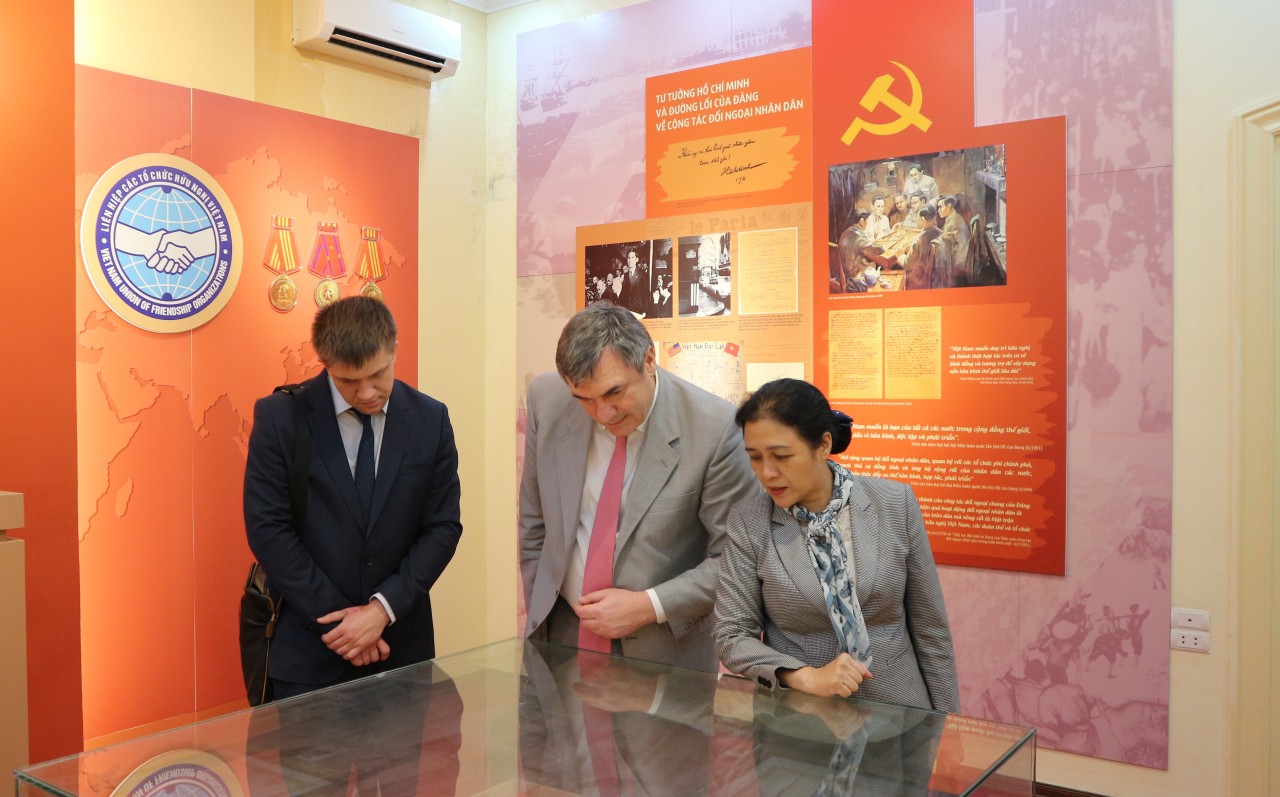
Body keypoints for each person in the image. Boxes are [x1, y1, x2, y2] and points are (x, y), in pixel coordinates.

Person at [243, 296, 462, 698]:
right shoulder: (281, 417)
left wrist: (381, 610)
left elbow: (442, 527)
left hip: (400, 648)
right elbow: (268, 528)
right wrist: (345, 626)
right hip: (310, 650)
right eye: (348, 381)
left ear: (394, 349)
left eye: (378, 375)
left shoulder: (430, 420)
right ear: (324, 362)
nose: (366, 393)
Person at [519, 302, 757, 670]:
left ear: (648, 360)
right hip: (561, 635)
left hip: (662, 648)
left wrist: (649, 606)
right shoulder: (546, 399)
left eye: (614, 393)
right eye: (585, 399)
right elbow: (534, 523)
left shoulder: (716, 428)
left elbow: (737, 558)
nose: (603, 414)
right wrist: (544, 605)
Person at [714, 379, 959, 712]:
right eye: (755, 458)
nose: (767, 472)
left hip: (899, 712)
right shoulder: (749, 522)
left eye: (782, 456)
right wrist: (804, 676)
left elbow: (931, 629)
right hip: (799, 719)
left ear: (823, 444)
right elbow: (732, 635)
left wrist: (949, 724)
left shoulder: (893, 502)